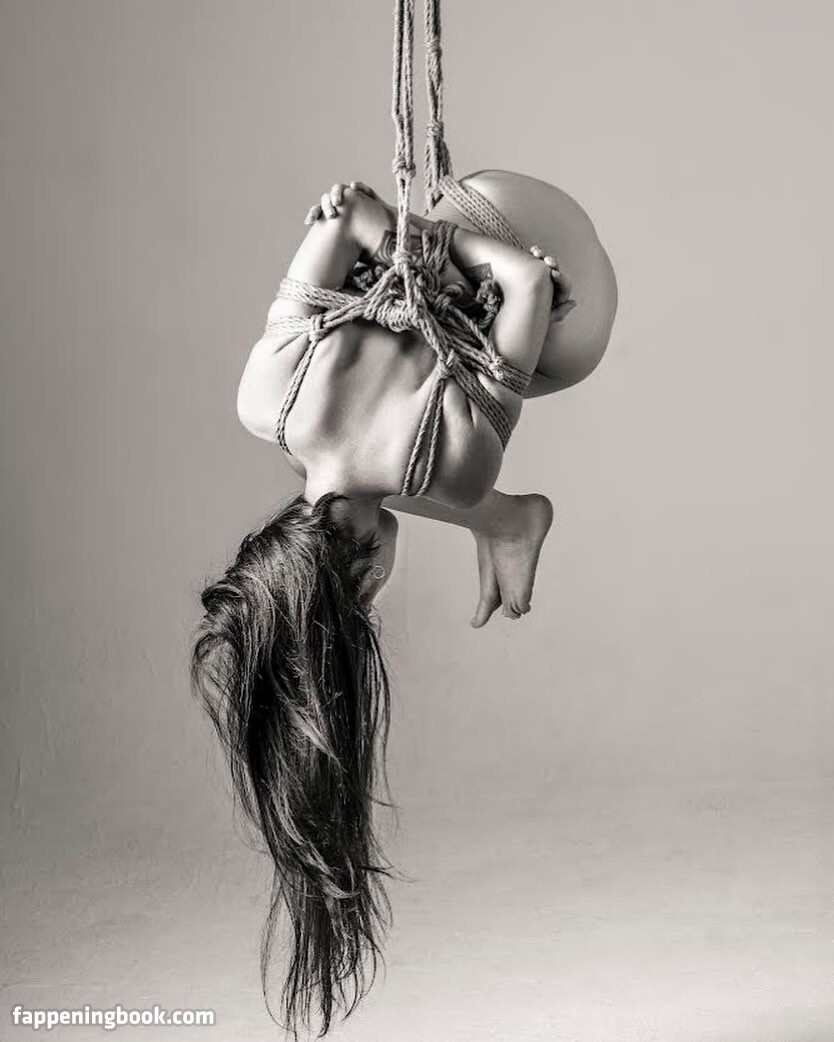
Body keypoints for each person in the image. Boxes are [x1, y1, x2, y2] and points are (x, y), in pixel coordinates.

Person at [191, 174, 617, 1036]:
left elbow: (532, 287)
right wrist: (412, 254)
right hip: (469, 201)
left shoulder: (453, 467)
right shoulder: (264, 401)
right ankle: (504, 523)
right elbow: (350, 209)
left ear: (361, 585)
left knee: (511, 404)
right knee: (372, 471)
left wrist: (491, 279)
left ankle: (506, 520)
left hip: (542, 248)